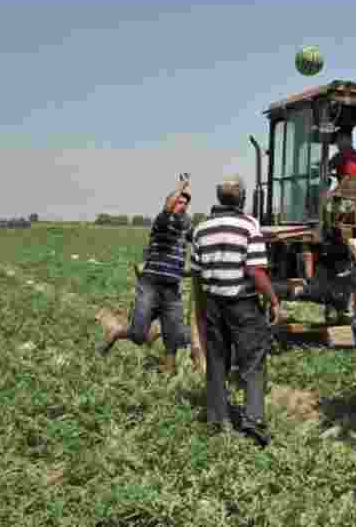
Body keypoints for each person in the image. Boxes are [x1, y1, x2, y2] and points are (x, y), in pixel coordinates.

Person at [190, 175, 281, 446]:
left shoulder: (201, 229)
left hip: (213, 303)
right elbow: (254, 270)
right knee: (252, 362)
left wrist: (200, 310)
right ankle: (253, 422)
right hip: (242, 304)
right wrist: (274, 300)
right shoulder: (248, 225)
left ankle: (217, 420)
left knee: (217, 360)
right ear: (241, 198)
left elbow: (196, 274)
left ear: (219, 198)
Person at [101, 174, 194, 374]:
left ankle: (168, 368)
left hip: (171, 287)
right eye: (179, 201)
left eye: (185, 203)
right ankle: (117, 332)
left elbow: (199, 238)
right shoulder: (162, 221)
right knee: (139, 334)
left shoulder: (184, 228)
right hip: (150, 285)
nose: (182, 206)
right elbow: (168, 206)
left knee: (173, 331)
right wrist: (181, 186)